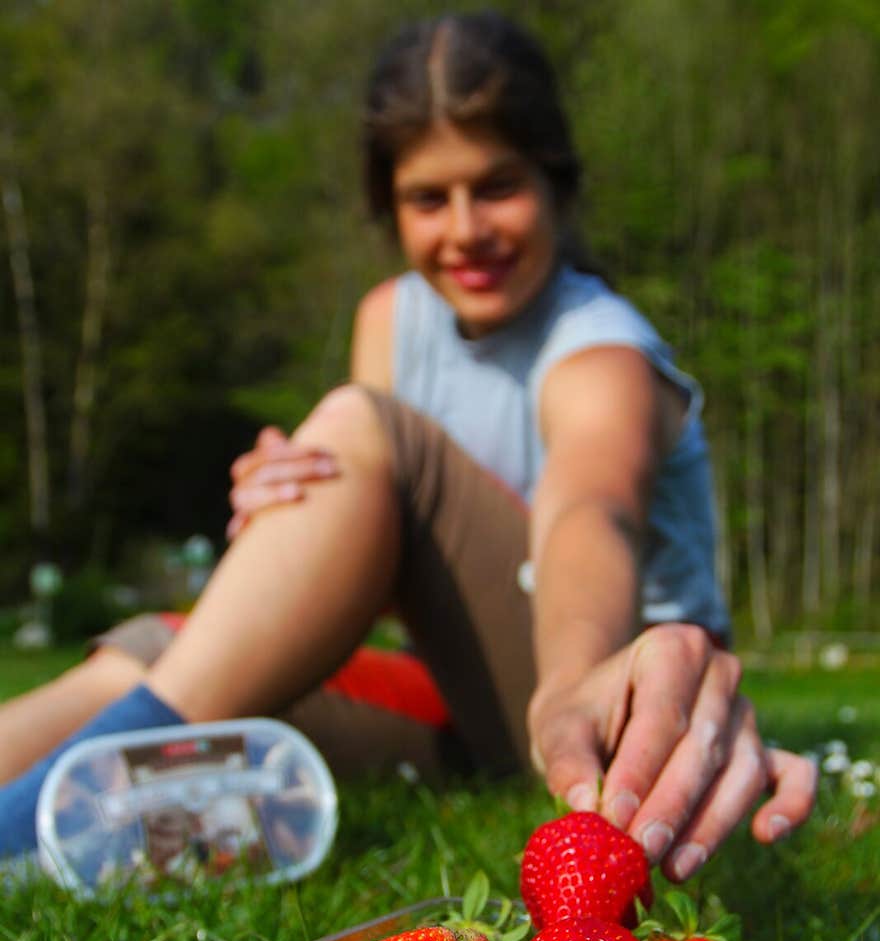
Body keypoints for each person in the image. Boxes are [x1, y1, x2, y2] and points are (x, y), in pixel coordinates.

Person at [0, 10, 816, 880]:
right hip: (461, 703)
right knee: (163, 651)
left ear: (556, 186)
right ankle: (49, 811)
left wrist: (574, 683)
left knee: (362, 428)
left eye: (496, 185)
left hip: (605, 714)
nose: (465, 229)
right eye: (429, 198)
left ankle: (15, 834)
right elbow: (388, 581)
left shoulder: (600, 350)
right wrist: (294, 509)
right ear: (389, 209)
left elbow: (590, 511)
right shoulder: (391, 320)